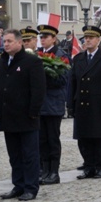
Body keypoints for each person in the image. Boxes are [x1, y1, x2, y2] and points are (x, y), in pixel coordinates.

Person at [0, 29, 46, 201]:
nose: (5, 44)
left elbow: (38, 90)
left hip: (26, 116)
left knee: (29, 154)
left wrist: (33, 111)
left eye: (9, 41)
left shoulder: (32, 61)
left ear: (19, 42)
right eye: (4, 41)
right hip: (8, 116)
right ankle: (19, 185)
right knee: (14, 155)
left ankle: (30, 187)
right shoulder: (2, 62)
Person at [69, 26, 101, 179]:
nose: (88, 40)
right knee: (83, 138)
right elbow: (72, 83)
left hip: (97, 104)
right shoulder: (78, 59)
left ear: (98, 40)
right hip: (81, 103)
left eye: (91, 38)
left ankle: (100, 166)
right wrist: (70, 104)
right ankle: (88, 165)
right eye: (86, 38)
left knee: (98, 137)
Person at [37, 24, 69, 185]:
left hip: (53, 103)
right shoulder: (37, 55)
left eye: (46, 37)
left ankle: (54, 172)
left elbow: (63, 79)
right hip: (40, 105)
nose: (43, 40)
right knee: (41, 140)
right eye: (41, 37)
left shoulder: (60, 55)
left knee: (52, 139)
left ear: (54, 39)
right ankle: (44, 170)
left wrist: (45, 76)